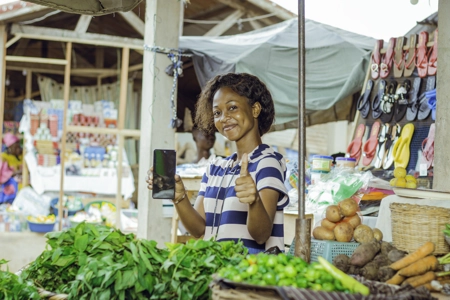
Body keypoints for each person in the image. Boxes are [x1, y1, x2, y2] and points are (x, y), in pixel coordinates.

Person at [146, 73, 289, 253]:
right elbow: (199, 230)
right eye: (217, 113)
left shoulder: (268, 162)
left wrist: (254, 201)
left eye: (232, 108)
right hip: (217, 274)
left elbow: (261, 235)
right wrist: (179, 197)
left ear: (255, 110)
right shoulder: (215, 168)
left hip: (247, 276)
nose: (223, 118)